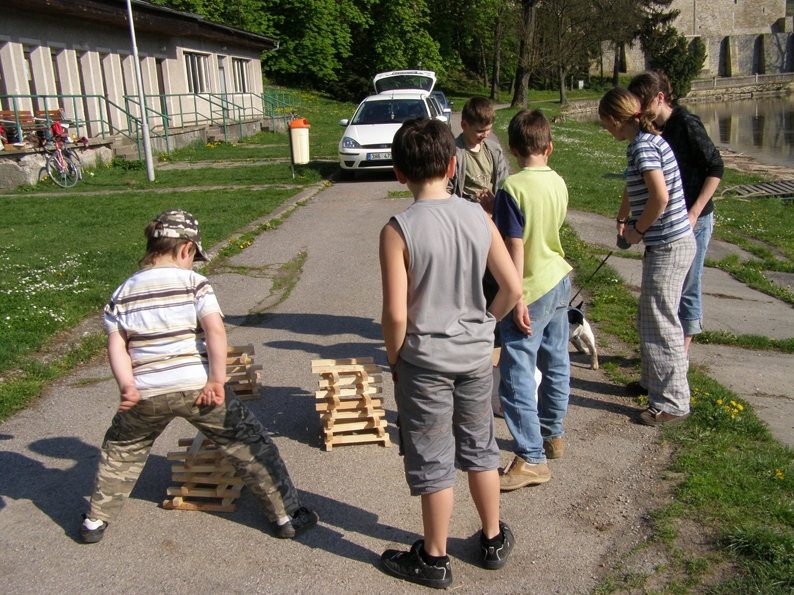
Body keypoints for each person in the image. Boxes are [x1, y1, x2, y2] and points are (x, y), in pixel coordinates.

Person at [80, 210, 318, 544]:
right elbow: (214, 331)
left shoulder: (123, 292)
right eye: (194, 256)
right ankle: (286, 515)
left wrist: (127, 386)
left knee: (121, 448)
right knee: (248, 442)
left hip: (145, 391)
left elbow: (116, 345)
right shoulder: (194, 284)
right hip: (198, 386)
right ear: (185, 250)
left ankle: (95, 520)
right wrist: (217, 381)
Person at [379, 118, 523, 589]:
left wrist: (395, 359)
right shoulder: (477, 216)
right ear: (454, 164)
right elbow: (512, 286)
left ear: (398, 172)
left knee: (432, 456)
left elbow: (396, 316)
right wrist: (486, 324)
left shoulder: (397, 230)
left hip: (425, 365)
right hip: (476, 358)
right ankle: (493, 538)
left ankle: (435, 558)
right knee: (481, 447)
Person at [598, 88, 696, 426]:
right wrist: (623, 216)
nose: (606, 131)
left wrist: (637, 231)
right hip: (665, 244)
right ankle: (653, 385)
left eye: (604, 125)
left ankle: (674, 403)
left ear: (613, 119)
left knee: (662, 323)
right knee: (649, 317)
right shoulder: (640, 144)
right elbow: (634, 185)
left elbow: (660, 197)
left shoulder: (643, 146)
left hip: (669, 243)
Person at [491, 109, 573, 491]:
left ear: (511, 149)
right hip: (559, 279)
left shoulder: (512, 187)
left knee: (516, 372)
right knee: (555, 360)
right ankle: (552, 435)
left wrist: (517, 296)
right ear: (549, 147)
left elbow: (514, 246)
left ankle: (531, 458)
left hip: (532, 288)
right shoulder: (558, 181)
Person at [628, 71, 724, 363]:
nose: (639, 112)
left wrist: (695, 211)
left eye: (642, 104)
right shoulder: (652, 133)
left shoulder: (685, 123)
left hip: (695, 217)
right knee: (665, 293)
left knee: (688, 287)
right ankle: (662, 354)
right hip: (671, 218)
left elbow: (716, 167)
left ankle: (680, 354)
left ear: (660, 98)